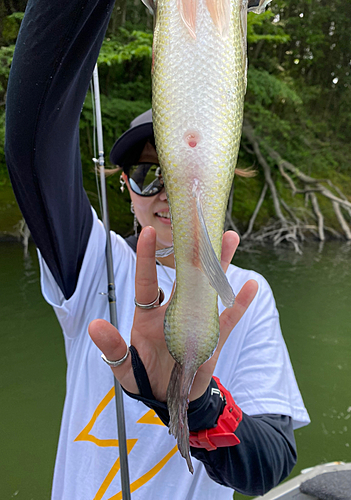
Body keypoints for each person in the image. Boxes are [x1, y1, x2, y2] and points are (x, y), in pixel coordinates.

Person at [5, 0, 310, 499]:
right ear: (125, 187)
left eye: (183, 171)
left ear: (223, 176)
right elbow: (30, 149)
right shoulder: (91, 262)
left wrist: (199, 406)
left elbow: (271, 462)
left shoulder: (250, 296)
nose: (169, 190)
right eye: (148, 175)